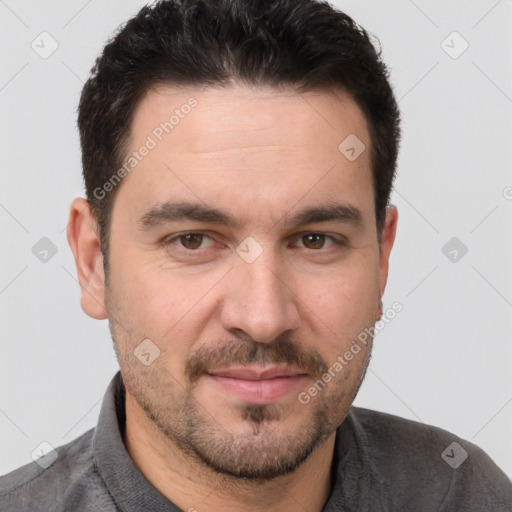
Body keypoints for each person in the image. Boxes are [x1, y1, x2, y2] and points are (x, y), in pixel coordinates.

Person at [1, 0, 511, 510]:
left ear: (381, 259)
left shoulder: (469, 495)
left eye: (315, 239)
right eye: (193, 240)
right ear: (94, 261)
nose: (263, 318)